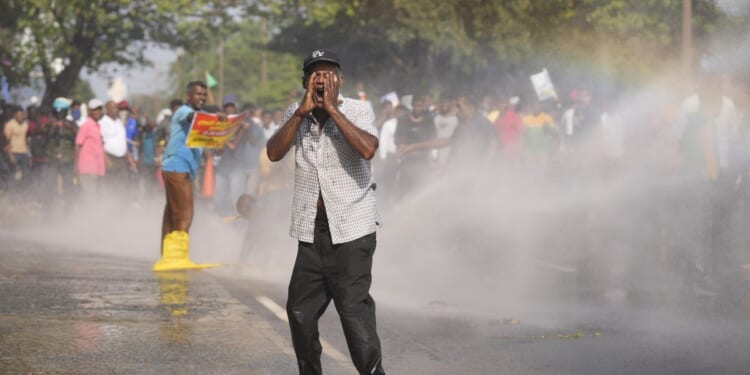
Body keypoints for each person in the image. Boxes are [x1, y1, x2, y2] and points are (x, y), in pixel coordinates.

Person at [267, 49, 385, 375]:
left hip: (352, 230)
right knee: (299, 311)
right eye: (314, 74)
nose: (321, 79)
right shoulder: (296, 112)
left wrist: (332, 110)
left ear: (340, 80)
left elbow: (367, 149)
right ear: (305, 81)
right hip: (311, 230)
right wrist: (300, 113)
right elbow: (274, 152)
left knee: (353, 311)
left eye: (328, 73)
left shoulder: (358, 109)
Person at [153, 81, 220, 272]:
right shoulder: (183, 111)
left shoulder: (198, 117)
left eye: (204, 95)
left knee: (173, 212)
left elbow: (204, 140)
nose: (202, 97)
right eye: (198, 94)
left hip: (183, 168)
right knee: (185, 212)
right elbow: (193, 118)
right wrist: (215, 118)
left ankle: (168, 255)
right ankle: (177, 257)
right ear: (189, 95)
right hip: (176, 166)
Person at [74, 99, 106, 196]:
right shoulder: (86, 126)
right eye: (95, 109)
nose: (98, 112)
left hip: (96, 168)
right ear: (89, 111)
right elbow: (77, 145)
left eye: (100, 109)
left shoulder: (97, 126)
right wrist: (76, 167)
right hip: (87, 168)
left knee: (96, 195)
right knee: (89, 196)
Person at [4, 105, 31, 189]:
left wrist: (29, 154)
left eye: (22, 115)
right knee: (13, 174)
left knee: (26, 174)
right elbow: (6, 142)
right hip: (14, 152)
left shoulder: (25, 124)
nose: (20, 117)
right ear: (14, 115)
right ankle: (11, 195)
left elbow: (26, 139)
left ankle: (22, 193)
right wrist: (10, 155)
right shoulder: (10, 125)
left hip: (24, 152)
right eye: (19, 115)